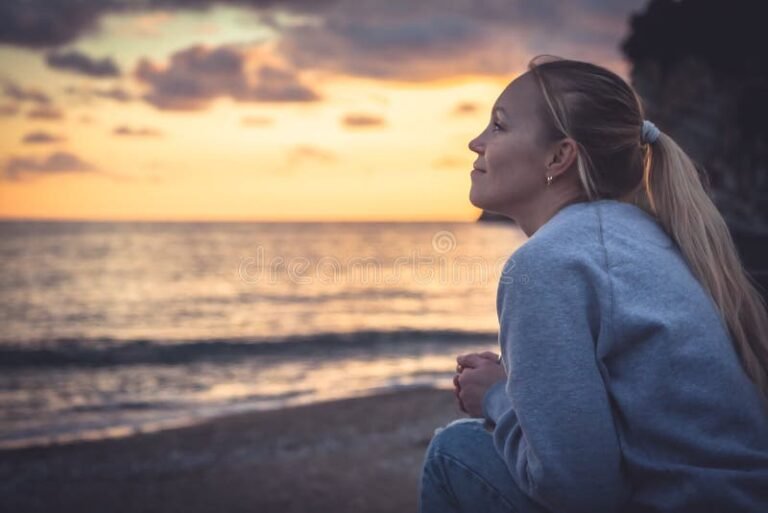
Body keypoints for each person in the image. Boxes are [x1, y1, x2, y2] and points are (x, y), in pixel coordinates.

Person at [418, 55, 768, 513]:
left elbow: (579, 491)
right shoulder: (642, 235)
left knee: (455, 452)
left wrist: (497, 398)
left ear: (560, 156)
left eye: (499, 127)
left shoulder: (549, 263)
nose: (475, 142)